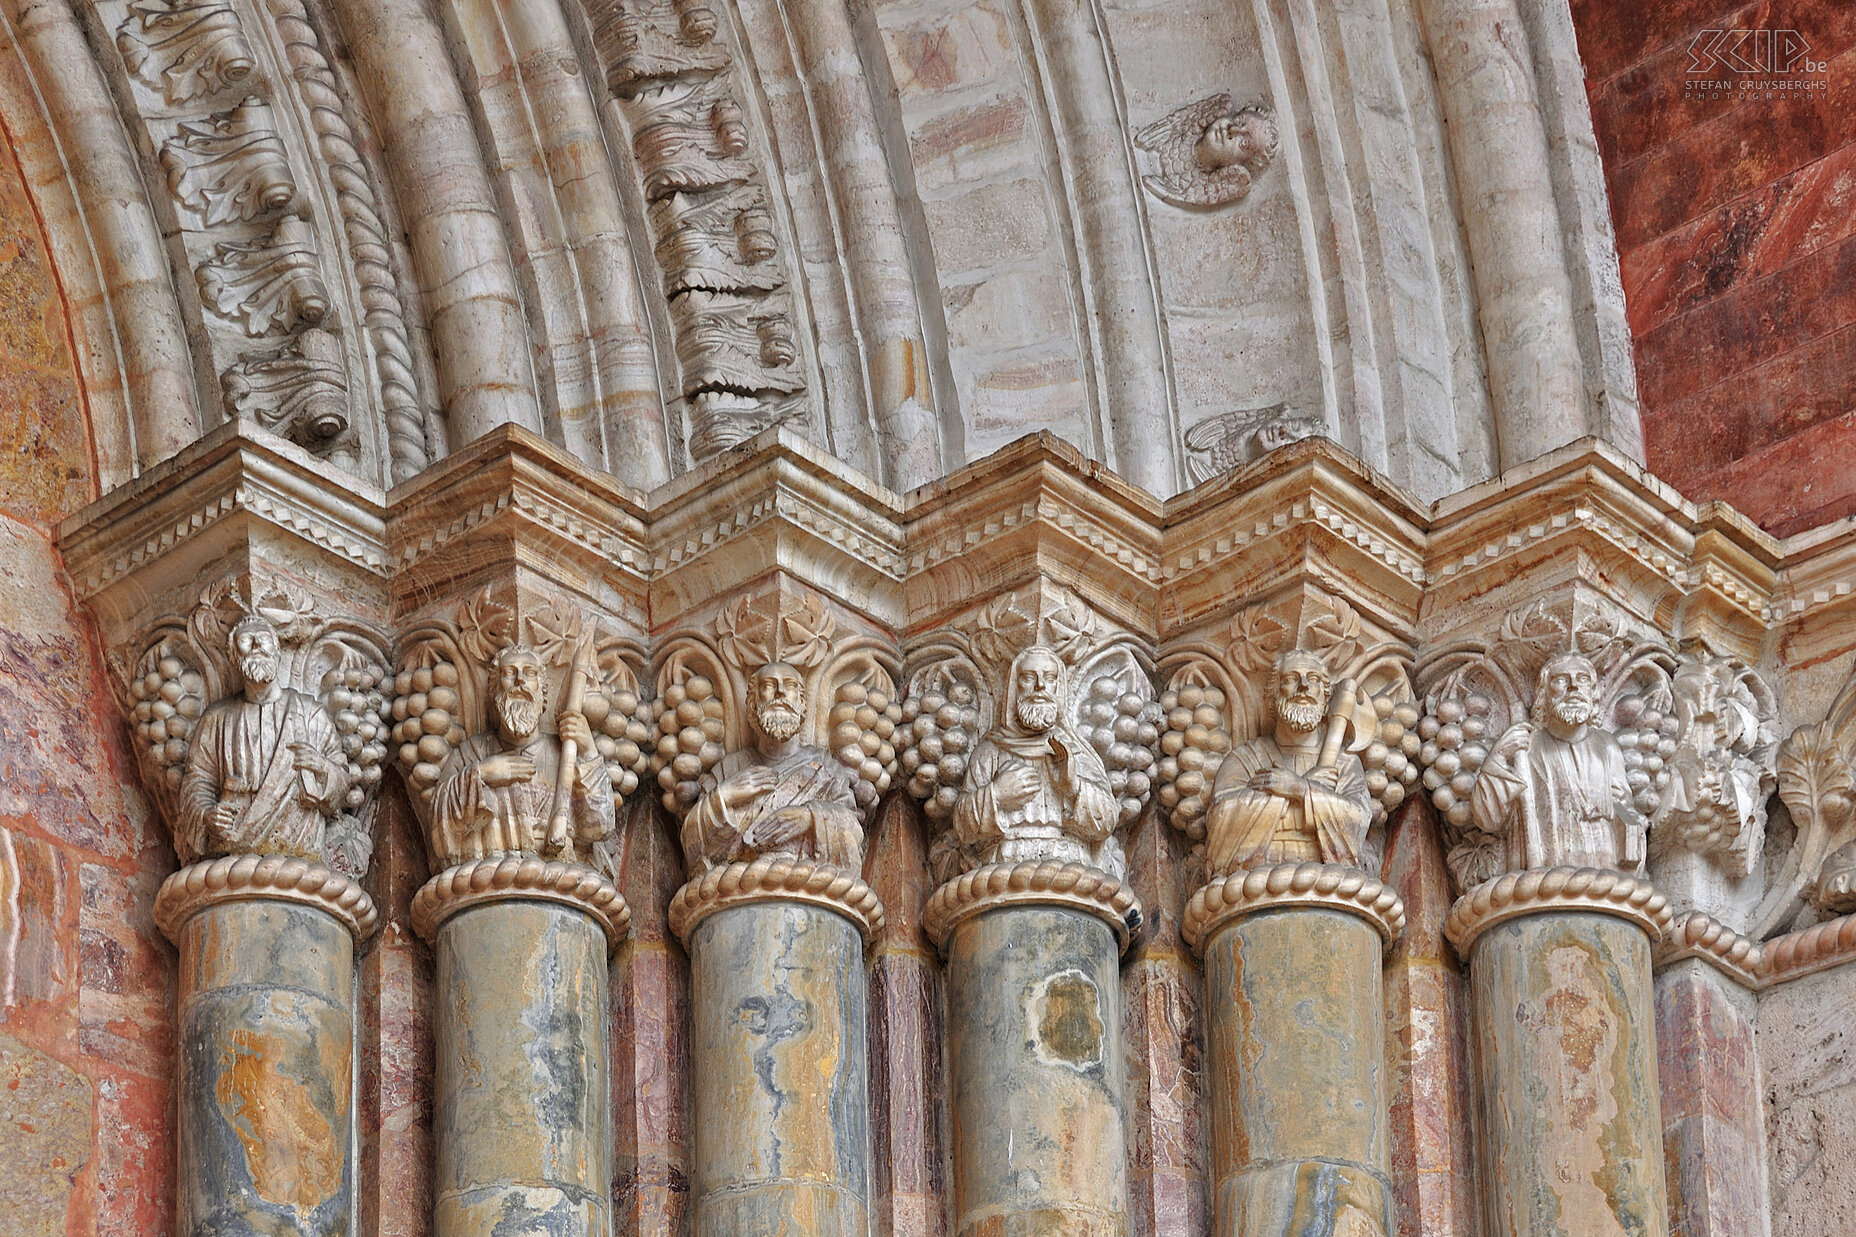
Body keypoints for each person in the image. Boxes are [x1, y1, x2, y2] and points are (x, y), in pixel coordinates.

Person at [179, 614, 348, 862]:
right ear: (234, 657)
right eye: (247, 640)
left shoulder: (310, 713)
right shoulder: (217, 717)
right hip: (233, 843)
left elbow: (342, 779)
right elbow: (197, 780)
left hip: (298, 841)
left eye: (265, 639)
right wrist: (207, 815)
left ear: (278, 652)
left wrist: (321, 767)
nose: (257, 645)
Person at [428, 644, 613, 867]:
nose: (519, 681)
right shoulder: (471, 753)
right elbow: (438, 825)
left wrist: (588, 750)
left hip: (558, 879)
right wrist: (482, 773)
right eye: (508, 673)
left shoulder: (564, 754)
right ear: (494, 690)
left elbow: (598, 827)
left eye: (530, 673)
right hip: (490, 875)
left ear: (543, 692)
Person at [1468, 652, 1645, 874]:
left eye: (1582, 679)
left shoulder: (1607, 745)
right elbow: (1488, 819)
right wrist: (1499, 757)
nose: (1573, 687)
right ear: (1543, 693)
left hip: (1602, 868)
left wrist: (1629, 820)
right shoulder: (1526, 745)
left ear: (1593, 692)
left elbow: (1623, 806)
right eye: (1561, 679)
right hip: (1542, 870)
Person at [953, 646, 1122, 876]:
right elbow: (962, 826)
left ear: (1058, 687)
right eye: (1029, 677)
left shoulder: (1075, 751)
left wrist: (1073, 788)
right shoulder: (992, 749)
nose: (1040, 686)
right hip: (1001, 867)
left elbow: (1108, 822)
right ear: (1014, 688)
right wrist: (997, 794)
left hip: (1071, 865)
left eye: (1049, 678)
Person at [682, 662, 865, 874]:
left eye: (789, 686)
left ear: (803, 704)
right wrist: (724, 795)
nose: (780, 693)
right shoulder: (728, 769)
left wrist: (810, 818)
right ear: (752, 704)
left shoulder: (828, 770)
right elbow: (693, 849)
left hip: (807, 884)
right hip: (738, 885)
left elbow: (853, 832)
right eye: (769, 685)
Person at [1204, 649, 1373, 874]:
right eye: (1291, 679)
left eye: (1312, 680)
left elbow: (1359, 820)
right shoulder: (1247, 758)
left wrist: (1301, 788)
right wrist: (1305, 791)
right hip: (1257, 880)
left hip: (1328, 880)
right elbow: (1220, 818)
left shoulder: (1345, 765)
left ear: (1325, 700)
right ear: (1273, 696)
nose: (1303, 687)